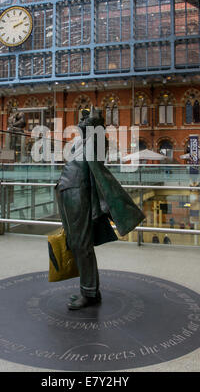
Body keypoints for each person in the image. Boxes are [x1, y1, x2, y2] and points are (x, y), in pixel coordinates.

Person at [55, 107, 145, 310]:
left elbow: (93, 132)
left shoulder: (96, 140)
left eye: (85, 120)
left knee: (81, 244)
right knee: (77, 243)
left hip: (79, 193)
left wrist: (94, 120)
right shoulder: (83, 141)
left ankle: (89, 293)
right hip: (70, 193)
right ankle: (90, 290)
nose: (81, 121)